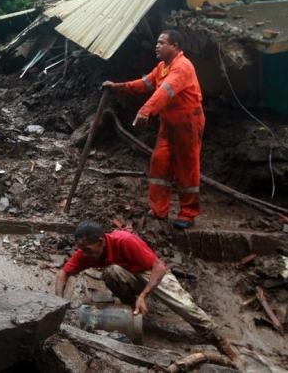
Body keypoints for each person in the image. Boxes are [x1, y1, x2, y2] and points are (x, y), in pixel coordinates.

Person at [55, 221, 237, 361]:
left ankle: (219, 340)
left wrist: (144, 295)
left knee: (184, 306)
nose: (84, 254)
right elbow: (63, 273)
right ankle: (132, 309)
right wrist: (58, 303)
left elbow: (159, 266)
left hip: (151, 272)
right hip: (129, 274)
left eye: (87, 249)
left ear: (101, 242)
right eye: (81, 250)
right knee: (111, 273)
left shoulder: (124, 240)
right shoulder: (86, 252)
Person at [102, 30, 204, 230]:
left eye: (161, 42)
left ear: (174, 46)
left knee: (187, 168)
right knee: (159, 163)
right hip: (169, 124)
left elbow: (165, 92)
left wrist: (145, 111)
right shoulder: (162, 67)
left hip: (187, 122)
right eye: (157, 42)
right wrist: (117, 87)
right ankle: (159, 210)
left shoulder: (182, 67)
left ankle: (188, 213)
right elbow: (145, 84)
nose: (157, 46)